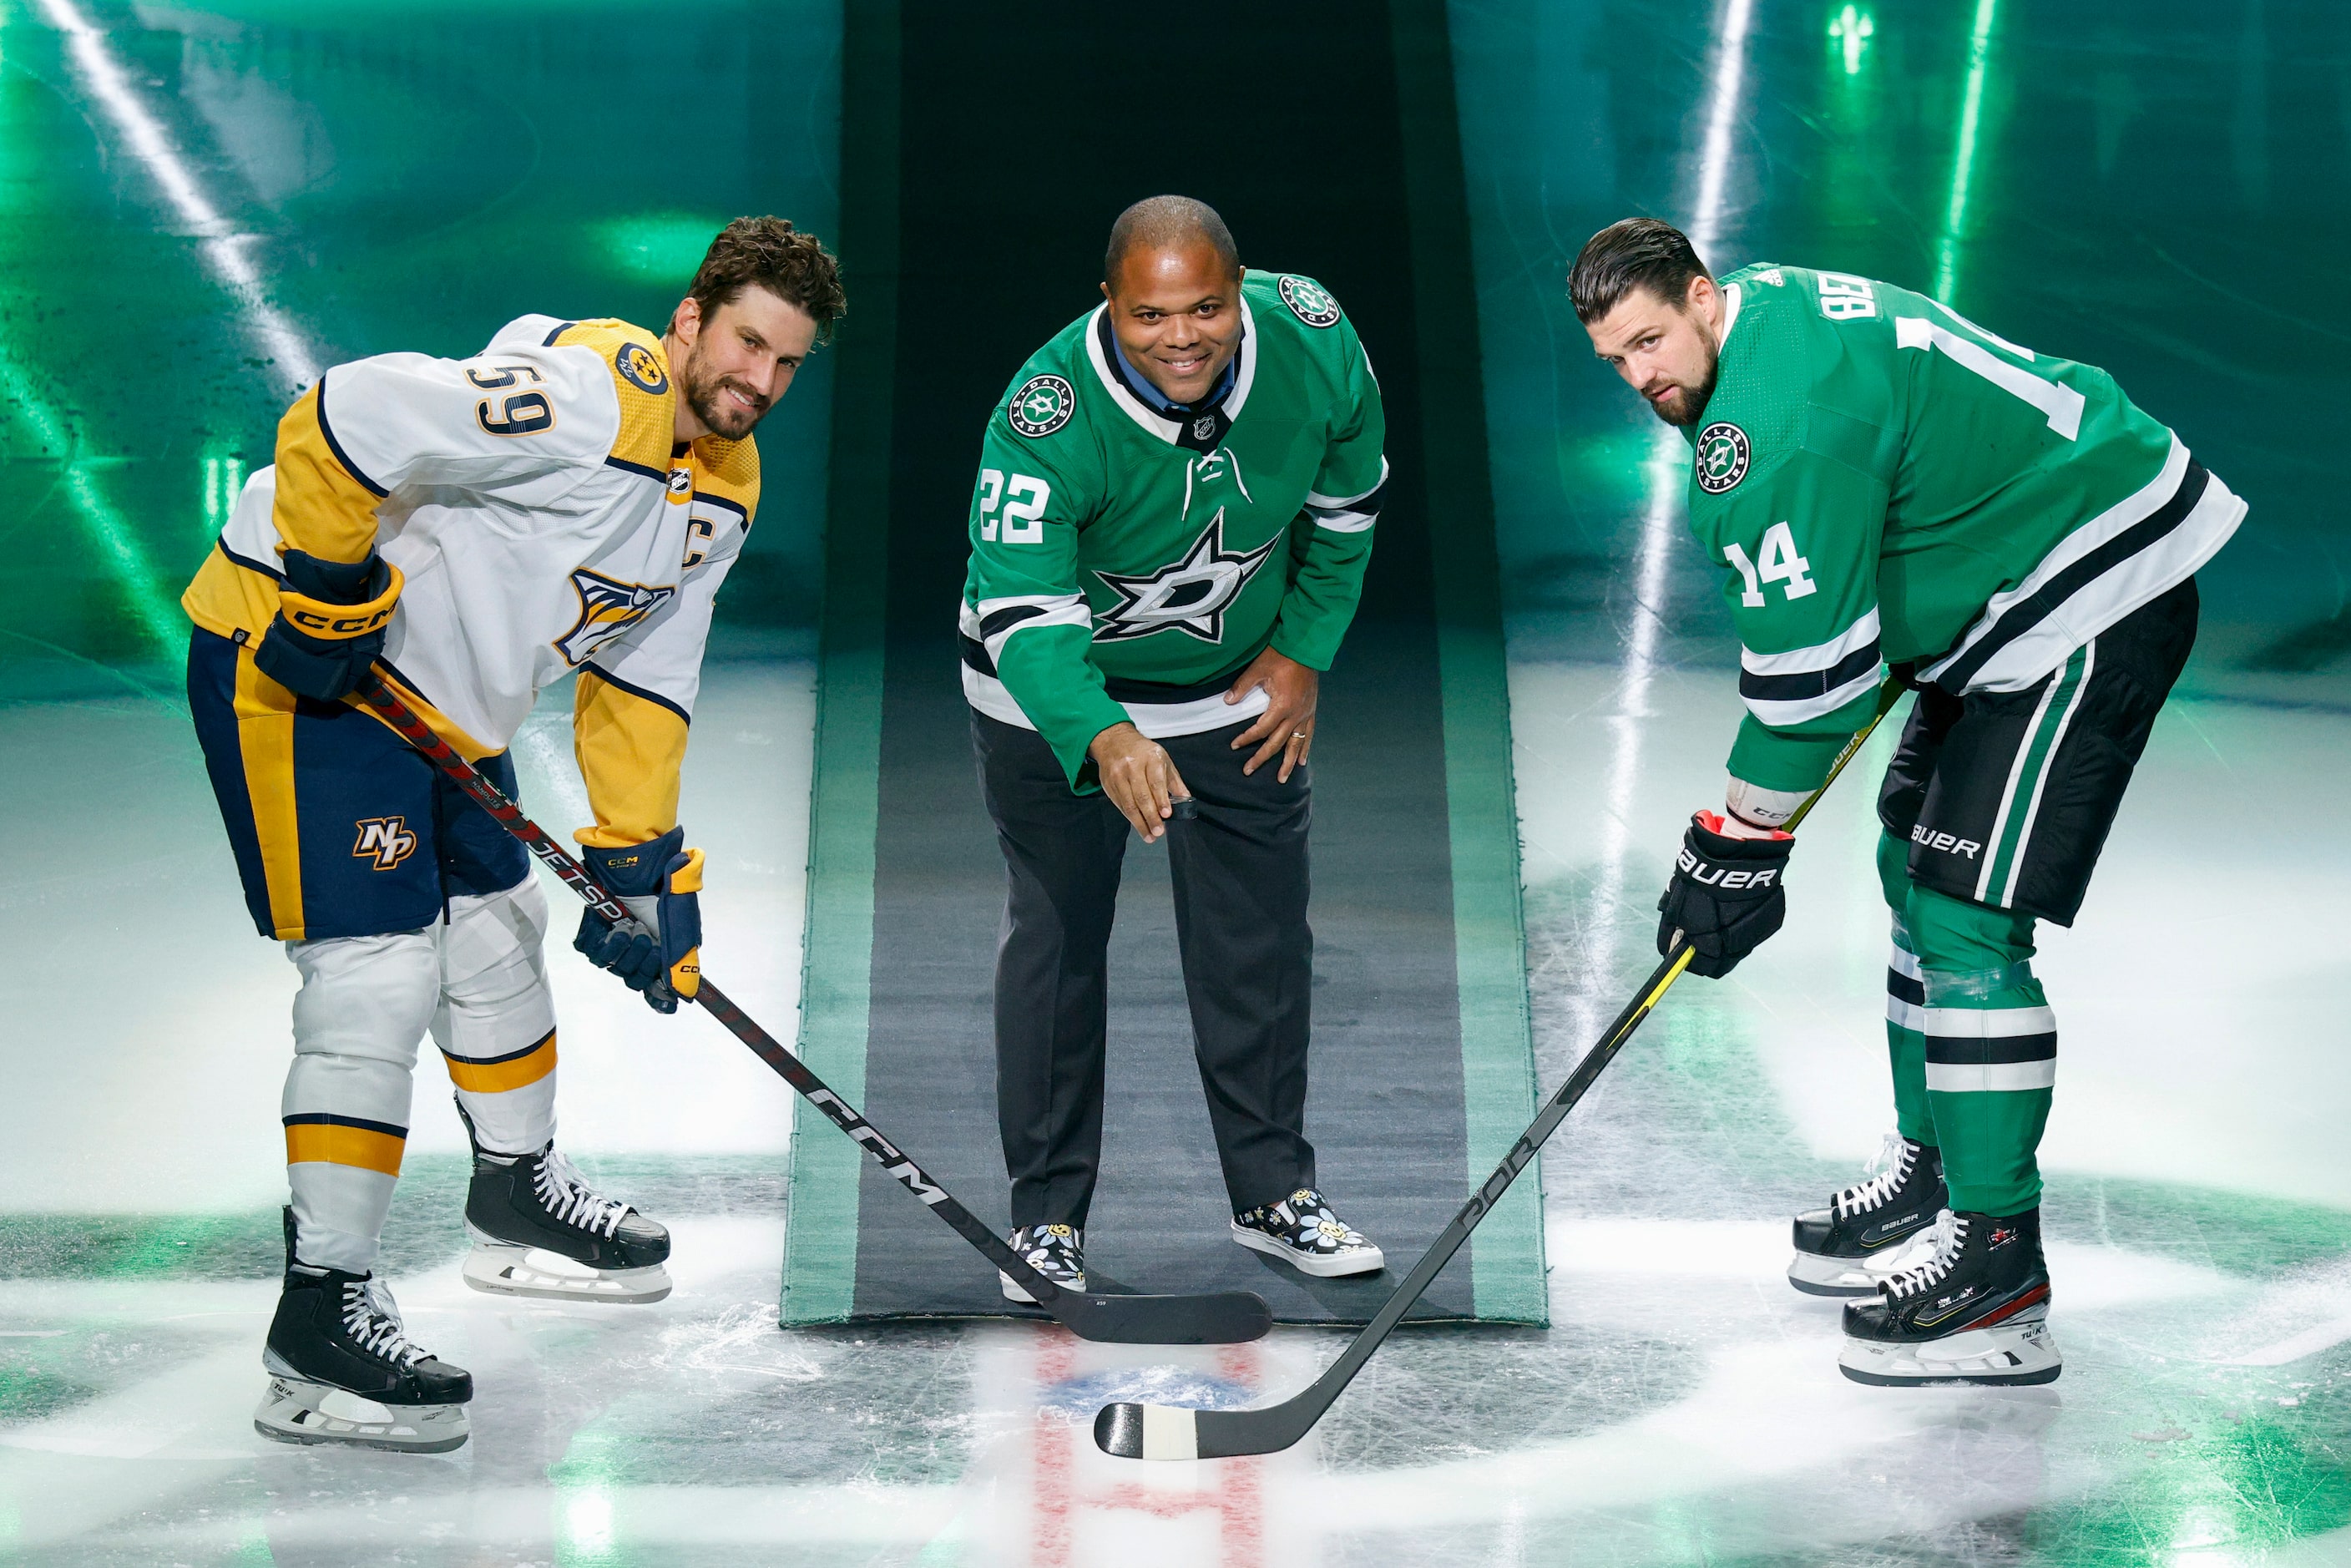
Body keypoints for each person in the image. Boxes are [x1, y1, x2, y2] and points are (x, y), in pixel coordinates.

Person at [181, 217, 845, 1451]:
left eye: (788, 363)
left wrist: (642, 868)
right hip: (307, 675)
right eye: (746, 341)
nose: (759, 380)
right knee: (377, 976)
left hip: (439, 709)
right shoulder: (592, 395)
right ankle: (317, 1316)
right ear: (691, 320)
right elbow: (347, 415)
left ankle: (514, 1188)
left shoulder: (726, 487)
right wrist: (329, 589)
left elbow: (644, 672)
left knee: (497, 932)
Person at [1570, 217, 2243, 1386]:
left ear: (1699, 294)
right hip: (2006, 573)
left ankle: (2000, 1269)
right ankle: (1938, 1167)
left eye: (1649, 342)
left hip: (2083, 587)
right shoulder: (1763, 319)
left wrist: (1734, 843)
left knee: (1968, 917)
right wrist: (1744, 842)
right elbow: (1851, 620)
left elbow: (1815, 687)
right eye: (1615, 360)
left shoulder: (1773, 433)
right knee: (1910, 867)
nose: (1641, 377)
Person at [959, 195, 1390, 1300]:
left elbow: (1348, 504)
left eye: (1206, 306)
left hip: (1234, 687)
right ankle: (1045, 1224)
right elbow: (1024, 619)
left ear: (1239, 294)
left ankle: (1273, 1195)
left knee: (1259, 939)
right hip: (1053, 693)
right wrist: (1102, 733)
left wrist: (1304, 651)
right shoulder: (1044, 414)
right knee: (1057, 939)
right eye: (1152, 314)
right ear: (1109, 303)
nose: (1183, 336)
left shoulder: (1315, 335)